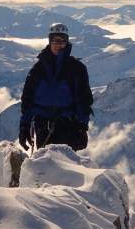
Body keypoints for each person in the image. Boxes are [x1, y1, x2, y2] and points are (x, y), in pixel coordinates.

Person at [19, 23, 94, 151]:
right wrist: (24, 127)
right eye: (55, 41)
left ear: (67, 42)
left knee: (64, 165)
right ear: (50, 42)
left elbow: (84, 99)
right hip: (42, 125)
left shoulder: (76, 69)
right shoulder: (38, 69)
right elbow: (28, 100)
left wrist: (82, 126)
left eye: (62, 41)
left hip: (68, 125)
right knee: (44, 164)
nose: (59, 44)